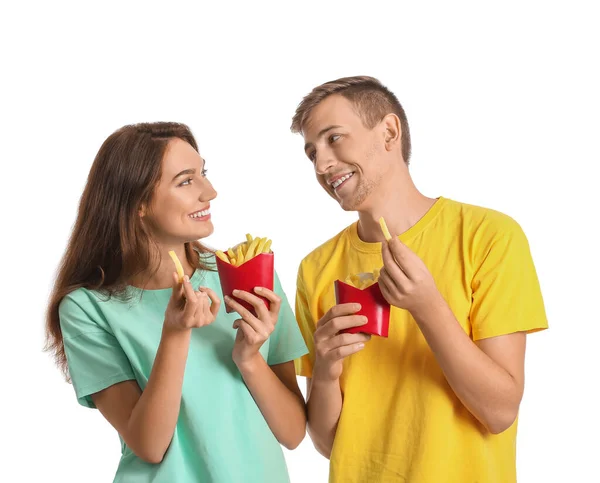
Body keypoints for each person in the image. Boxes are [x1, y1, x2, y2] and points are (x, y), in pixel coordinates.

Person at [290, 76, 548, 483]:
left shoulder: (488, 236)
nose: (322, 165)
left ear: (389, 132)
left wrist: (427, 306)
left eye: (334, 139)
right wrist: (325, 370)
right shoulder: (316, 268)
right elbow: (327, 443)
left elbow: (499, 413)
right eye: (312, 153)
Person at [45, 122, 308, 483]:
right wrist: (175, 333)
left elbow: (293, 433)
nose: (210, 192)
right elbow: (149, 445)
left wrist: (249, 359)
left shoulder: (247, 273)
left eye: (204, 174)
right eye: (186, 181)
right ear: (137, 203)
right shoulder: (86, 308)